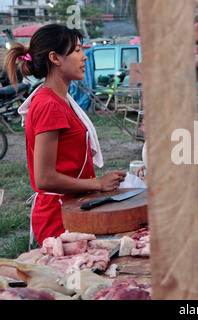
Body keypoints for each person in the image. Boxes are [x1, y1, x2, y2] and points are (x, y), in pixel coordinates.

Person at [5, 24, 126, 246]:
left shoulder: (61, 100)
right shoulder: (49, 105)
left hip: (74, 208)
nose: (84, 58)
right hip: (58, 217)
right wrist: (97, 184)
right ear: (55, 58)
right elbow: (44, 178)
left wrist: (96, 183)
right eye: (78, 50)